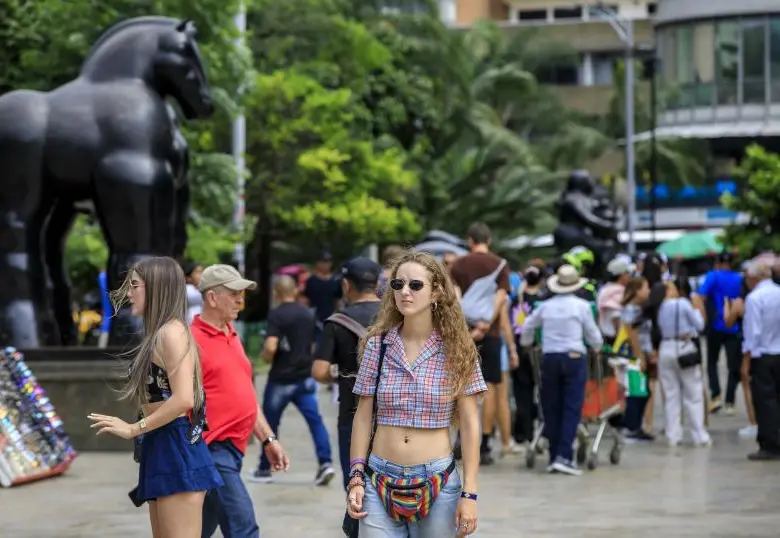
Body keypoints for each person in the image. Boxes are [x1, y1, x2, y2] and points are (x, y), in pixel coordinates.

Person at [347, 251, 486, 537]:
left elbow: (471, 425)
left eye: (415, 285)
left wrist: (470, 494)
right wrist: (356, 477)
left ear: (436, 292)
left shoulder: (458, 349)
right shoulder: (378, 345)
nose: (405, 292)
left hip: (437, 479)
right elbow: (362, 415)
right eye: (397, 285)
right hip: (378, 478)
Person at [88, 257, 223, 538]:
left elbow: (184, 398)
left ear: (157, 289)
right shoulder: (160, 333)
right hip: (162, 442)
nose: (128, 293)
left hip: (176, 443)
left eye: (135, 286)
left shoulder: (171, 333)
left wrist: (132, 429)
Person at [193, 264, 290, 538]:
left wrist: (268, 439)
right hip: (211, 450)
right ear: (212, 298)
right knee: (243, 526)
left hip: (233, 450)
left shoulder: (232, 334)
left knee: (196, 530)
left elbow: (244, 395)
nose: (241, 300)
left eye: (242, 293)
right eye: (234, 293)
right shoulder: (190, 340)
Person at [250, 275, 335, 485]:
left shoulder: (277, 315)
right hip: (305, 376)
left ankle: (264, 467)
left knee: (269, 423)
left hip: (281, 377)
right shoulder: (306, 314)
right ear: (295, 291)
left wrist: (266, 357)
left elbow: (271, 345)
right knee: (315, 421)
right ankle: (326, 463)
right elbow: (316, 342)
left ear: (276, 293)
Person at [520, 264, 603, 475]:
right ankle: (564, 456)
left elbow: (528, 327)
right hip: (575, 358)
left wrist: (528, 343)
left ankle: (554, 455)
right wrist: (597, 347)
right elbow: (594, 336)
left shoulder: (545, 307)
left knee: (551, 407)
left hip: (550, 358)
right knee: (571, 407)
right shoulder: (582, 306)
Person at [312, 257, 383, 488]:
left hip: (352, 411)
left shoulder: (337, 322)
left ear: (346, 285)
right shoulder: (396, 317)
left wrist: (340, 375)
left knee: (356, 484)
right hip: (393, 412)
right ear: (377, 285)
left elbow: (319, 370)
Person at [450, 222, 517, 465]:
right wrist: (487, 323)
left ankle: (461, 437)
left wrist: (467, 326)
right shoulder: (500, 264)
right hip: (492, 333)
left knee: (460, 384)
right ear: (488, 240)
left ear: (470, 240)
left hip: (463, 332)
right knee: (487, 388)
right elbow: (501, 296)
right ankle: (485, 444)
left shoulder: (457, 264)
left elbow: (454, 296)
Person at [656, 281, 711, 447]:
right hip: (684, 347)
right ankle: (699, 435)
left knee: (671, 394)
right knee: (693, 394)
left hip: (665, 347)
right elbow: (700, 325)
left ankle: (673, 435)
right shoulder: (683, 303)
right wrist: (697, 308)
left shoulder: (660, 306)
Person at [694, 252, 743, 414]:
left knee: (712, 363)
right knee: (733, 365)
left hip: (715, 325)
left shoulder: (713, 276)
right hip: (735, 326)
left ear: (718, 263)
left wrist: (703, 316)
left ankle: (716, 397)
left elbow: (701, 295)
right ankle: (730, 401)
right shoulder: (738, 278)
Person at [741, 263, 780, 461]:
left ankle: (770, 444)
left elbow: (753, 332)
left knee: (765, 401)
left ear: (752, 278)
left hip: (763, 355)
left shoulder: (754, 298)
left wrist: (746, 359)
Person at [620, 276, 655, 442]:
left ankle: (637, 426)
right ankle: (631, 427)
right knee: (636, 392)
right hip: (634, 357)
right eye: (645, 288)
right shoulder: (630, 310)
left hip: (643, 355)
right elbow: (632, 333)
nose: (648, 291)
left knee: (644, 391)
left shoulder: (641, 309)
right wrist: (639, 356)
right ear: (636, 291)